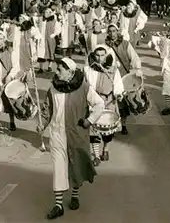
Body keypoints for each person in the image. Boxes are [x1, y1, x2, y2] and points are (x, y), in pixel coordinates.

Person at [38, 57, 104, 219]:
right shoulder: (53, 88)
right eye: (57, 68)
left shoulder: (83, 87)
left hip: (77, 134)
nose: (56, 71)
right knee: (59, 167)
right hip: (57, 133)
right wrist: (43, 124)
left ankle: (75, 195)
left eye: (60, 69)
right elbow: (48, 110)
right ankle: (58, 205)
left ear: (70, 72)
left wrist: (89, 121)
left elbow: (99, 104)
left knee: (77, 164)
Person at [84, 45, 124, 165]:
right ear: (93, 55)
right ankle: (96, 156)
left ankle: (105, 149)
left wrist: (118, 94)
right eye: (97, 55)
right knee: (93, 129)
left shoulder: (113, 70)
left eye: (102, 55)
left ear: (106, 56)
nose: (100, 58)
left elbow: (117, 84)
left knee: (108, 129)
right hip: (94, 102)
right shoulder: (88, 69)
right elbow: (85, 85)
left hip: (109, 100)